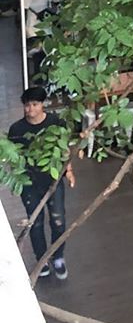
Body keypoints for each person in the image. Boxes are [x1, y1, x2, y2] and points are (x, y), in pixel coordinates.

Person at [8, 86, 74, 280]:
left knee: (58, 221)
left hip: (53, 179)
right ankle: (41, 260)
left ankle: (58, 257)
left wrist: (69, 171)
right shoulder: (17, 130)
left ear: (43, 104)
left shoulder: (56, 123)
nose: (30, 109)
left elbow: (64, 151)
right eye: (27, 105)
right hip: (29, 183)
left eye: (34, 104)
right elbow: (14, 160)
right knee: (34, 223)